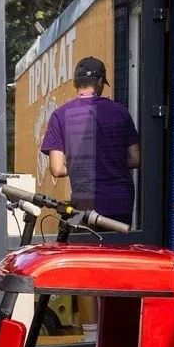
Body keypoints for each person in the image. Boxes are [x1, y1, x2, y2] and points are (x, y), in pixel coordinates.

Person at [41, 56, 140, 225]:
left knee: (87, 250)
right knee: (116, 250)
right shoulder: (120, 112)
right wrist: (107, 163)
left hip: (84, 204)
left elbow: (56, 169)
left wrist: (81, 165)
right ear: (100, 81)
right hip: (119, 203)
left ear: (75, 83)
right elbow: (135, 158)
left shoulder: (60, 115)